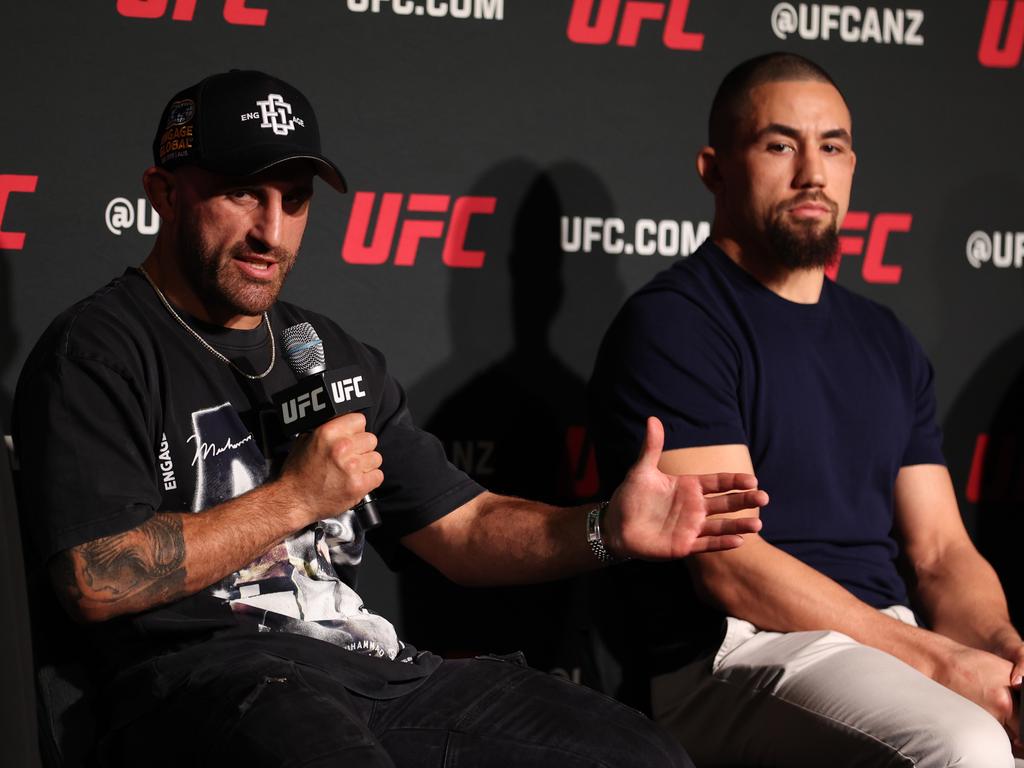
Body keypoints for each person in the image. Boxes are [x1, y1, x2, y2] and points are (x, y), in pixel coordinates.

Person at [12, 70, 767, 768]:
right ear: (164, 191)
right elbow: (95, 578)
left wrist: (605, 530)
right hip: (203, 683)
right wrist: (296, 498)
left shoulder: (329, 352)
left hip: (375, 673)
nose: (272, 232)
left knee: (636, 754)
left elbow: (465, 530)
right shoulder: (100, 349)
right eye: (243, 193)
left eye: (295, 198)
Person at [589, 52, 1024, 768]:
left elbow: (943, 552)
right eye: (780, 144)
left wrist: (1002, 653)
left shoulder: (887, 340)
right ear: (714, 168)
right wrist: (940, 664)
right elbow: (730, 570)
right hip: (736, 653)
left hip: (891, 641)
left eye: (833, 147)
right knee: (965, 745)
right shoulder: (676, 323)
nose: (812, 172)